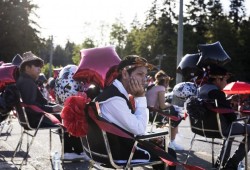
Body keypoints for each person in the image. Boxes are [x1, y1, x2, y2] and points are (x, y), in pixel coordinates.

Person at [95, 55, 176, 170]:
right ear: (124, 74)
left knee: (161, 147)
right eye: (140, 74)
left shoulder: (114, 92)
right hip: (119, 153)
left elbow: (126, 126)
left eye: (145, 75)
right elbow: (139, 130)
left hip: (115, 147)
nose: (145, 79)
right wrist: (141, 97)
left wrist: (148, 139)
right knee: (169, 153)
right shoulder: (115, 99)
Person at [16, 51, 87, 161]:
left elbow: (39, 103)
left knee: (64, 113)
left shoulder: (25, 80)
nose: (40, 69)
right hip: (35, 118)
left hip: (31, 117)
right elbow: (31, 105)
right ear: (27, 67)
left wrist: (55, 106)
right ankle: (72, 151)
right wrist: (52, 108)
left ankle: (74, 151)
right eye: (36, 66)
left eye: (40, 66)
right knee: (68, 116)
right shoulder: (26, 82)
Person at [198, 64, 250, 169]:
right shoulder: (217, 93)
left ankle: (221, 161)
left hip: (203, 128)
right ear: (218, 79)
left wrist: (228, 101)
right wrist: (229, 105)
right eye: (225, 80)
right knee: (234, 126)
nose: (226, 83)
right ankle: (232, 164)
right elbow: (232, 117)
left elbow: (213, 106)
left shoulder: (202, 89)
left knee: (232, 128)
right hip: (220, 129)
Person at [146, 70, 184, 151]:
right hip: (154, 115)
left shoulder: (152, 86)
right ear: (166, 82)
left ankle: (172, 140)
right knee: (177, 115)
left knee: (174, 113)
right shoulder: (161, 88)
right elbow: (163, 106)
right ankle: (172, 142)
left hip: (148, 114)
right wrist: (170, 105)